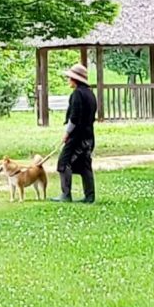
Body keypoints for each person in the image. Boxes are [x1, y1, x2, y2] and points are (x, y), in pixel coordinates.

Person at [54, 62, 97, 204]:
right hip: (89, 136)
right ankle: (90, 196)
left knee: (63, 162)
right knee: (85, 166)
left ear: (75, 79)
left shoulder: (77, 94)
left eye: (69, 78)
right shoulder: (90, 94)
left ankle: (66, 194)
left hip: (77, 137)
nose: (68, 80)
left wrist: (67, 133)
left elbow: (74, 117)